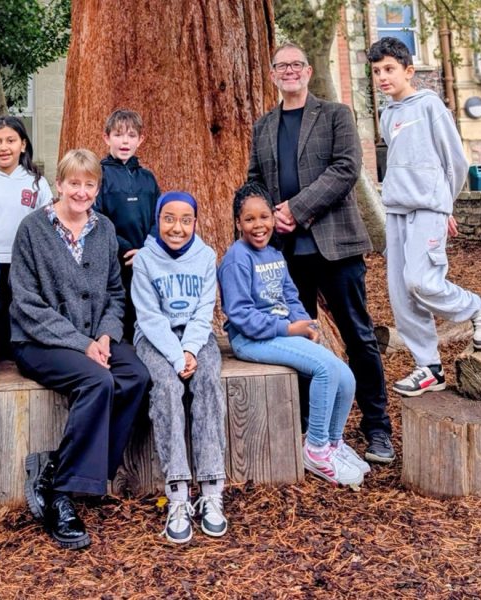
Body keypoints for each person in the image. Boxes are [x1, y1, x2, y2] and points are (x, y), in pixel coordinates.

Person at [247, 42, 394, 464]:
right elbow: (254, 180)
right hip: (285, 252)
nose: (289, 71)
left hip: (335, 245)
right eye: (281, 67)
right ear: (273, 75)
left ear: (308, 71)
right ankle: (310, 428)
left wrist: (296, 208)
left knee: (358, 337)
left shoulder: (336, 115)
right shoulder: (263, 126)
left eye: (297, 65)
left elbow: (346, 168)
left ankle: (377, 429)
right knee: (298, 341)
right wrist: (268, 217)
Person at [11, 148, 150, 550]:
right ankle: (59, 496)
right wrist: (83, 343)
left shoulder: (103, 229)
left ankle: (59, 466)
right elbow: (26, 303)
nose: (82, 191)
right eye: (75, 183)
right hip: (40, 342)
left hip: (95, 337)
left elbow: (113, 293)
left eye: (90, 184)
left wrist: (105, 336)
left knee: (136, 376)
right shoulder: (33, 229)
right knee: (98, 381)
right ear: (60, 184)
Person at [368, 37, 481, 396]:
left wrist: (445, 206)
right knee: (400, 294)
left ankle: (477, 309)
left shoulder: (429, 107)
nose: (382, 76)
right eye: (377, 71)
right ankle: (428, 367)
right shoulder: (386, 115)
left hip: (428, 207)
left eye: (389, 69)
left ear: (408, 70)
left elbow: (456, 161)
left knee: (421, 281)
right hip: (395, 209)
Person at [219, 182, 368, 487]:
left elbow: (290, 297)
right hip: (251, 339)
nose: (258, 225)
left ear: (274, 219)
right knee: (325, 370)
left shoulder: (274, 254)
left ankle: (331, 443)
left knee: (346, 375)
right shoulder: (237, 258)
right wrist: (288, 329)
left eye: (264, 217)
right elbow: (240, 315)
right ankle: (314, 449)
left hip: (282, 334)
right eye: (249, 219)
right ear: (238, 223)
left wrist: (305, 326)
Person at [131, 191, 227, 544]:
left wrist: (190, 349)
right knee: (169, 388)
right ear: (157, 220)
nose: (177, 227)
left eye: (186, 220)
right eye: (169, 218)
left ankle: (212, 488)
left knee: (208, 384)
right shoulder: (145, 260)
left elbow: (205, 312)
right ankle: (178, 493)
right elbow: (150, 318)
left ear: (195, 222)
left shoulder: (205, 256)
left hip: (197, 337)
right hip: (154, 339)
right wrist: (175, 356)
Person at [0, 115, 52, 361]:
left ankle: (24, 355)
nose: (4, 147)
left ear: (23, 144)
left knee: (22, 309)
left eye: (11, 140)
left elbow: (47, 223)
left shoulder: (36, 183)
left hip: (25, 262)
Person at [94, 108, 161, 341]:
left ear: (140, 140)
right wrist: (125, 249)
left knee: (143, 307)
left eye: (131, 135)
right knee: (117, 308)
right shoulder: (100, 175)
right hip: (115, 258)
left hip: (146, 257)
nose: (125, 141)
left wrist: (147, 249)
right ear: (106, 138)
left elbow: (158, 217)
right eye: (118, 134)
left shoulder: (148, 178)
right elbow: (96, 217)